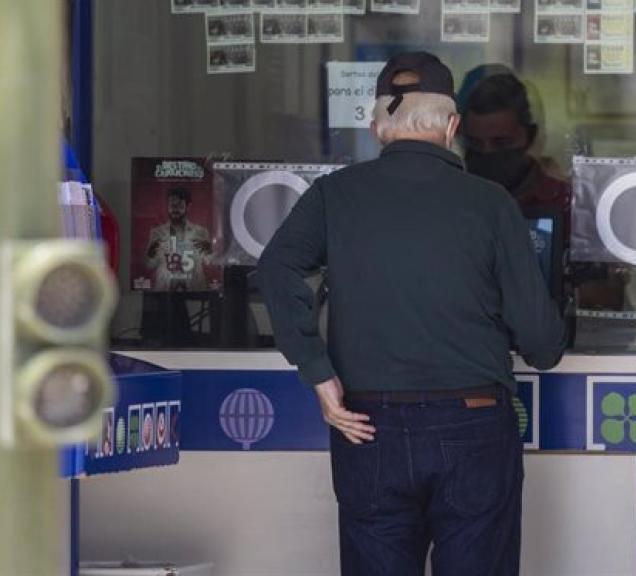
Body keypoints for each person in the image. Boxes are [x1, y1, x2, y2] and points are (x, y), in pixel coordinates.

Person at [256, 52, 566, 576]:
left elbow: (276, 268)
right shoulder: (491, 204)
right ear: (452, 126)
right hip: (474, 425)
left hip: (367, 425)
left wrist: (319, 372)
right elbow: (542, 343)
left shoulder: (336, 194)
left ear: (377, 128)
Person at [458, 67, 570, 222]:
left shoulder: (564, 202)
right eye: (475, 143)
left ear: (530, 136)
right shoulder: (452, 199)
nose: (487, 152)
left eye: (501, 143)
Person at [144, 186, 212, 291]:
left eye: (179, 205)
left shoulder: (201, 232)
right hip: (164, 291)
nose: (175, 209)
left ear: (188, 206)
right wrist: (150, 253)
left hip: (195, 289)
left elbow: (209, 261)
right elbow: (149, 265)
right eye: (172, 205)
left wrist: (209, 250)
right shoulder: (157, 232)